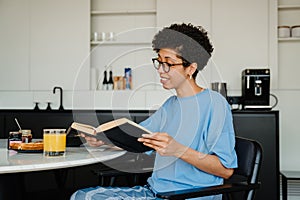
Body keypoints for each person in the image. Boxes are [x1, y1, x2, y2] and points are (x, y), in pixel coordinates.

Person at [70, 23, 237, 200]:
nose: (160, 70)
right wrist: (104, 140)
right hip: (154, 192)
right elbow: (139, 140)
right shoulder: (170, 105)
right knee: (82, 196)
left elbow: (225, 170)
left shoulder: (214, 104)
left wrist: (178, 150)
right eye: (159, 61)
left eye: (169, 64)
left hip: (188, 196)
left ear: (191, 68)